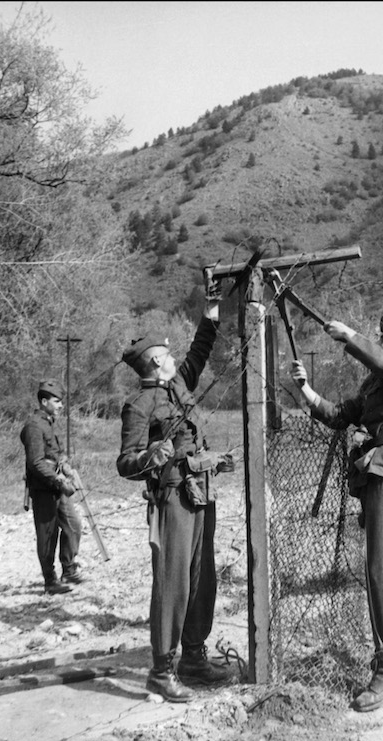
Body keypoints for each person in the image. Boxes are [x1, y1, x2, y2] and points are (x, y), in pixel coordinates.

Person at [289, 308, 383, 713]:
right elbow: (339, 415)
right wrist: (306, 390)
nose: (378, 341)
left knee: (381, 569)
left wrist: (348, 335)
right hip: (377, 474)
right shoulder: (377, 382)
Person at [116, 277, 234, 703]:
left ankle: (194, 657)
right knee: (172, 582)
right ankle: (161, 670)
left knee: (202, 578)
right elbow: (125, 464)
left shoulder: (178, 385)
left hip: (201, 493)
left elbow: (200, 351)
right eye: (166, 354)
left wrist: (212, 312)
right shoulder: (140, 405)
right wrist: (154, 453)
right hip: (172, 501)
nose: (173, 357)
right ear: (154, 363)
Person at [19, 378, 83, 595]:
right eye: (56, 401)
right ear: (44, 402)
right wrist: (59, 481)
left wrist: (65, 465)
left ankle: (69, 568)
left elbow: (57, 452)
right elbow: (35, 462)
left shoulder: (48, 423)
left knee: (73, 525)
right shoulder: (34, 426)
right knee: (47, 535)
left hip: (57, 486)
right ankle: (50, 581)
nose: (60, 405)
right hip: (44, 488)